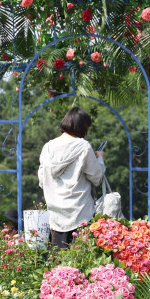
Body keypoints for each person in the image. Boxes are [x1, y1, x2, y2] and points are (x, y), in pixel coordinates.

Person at [38, 107, 104, 250]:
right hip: (80, 213)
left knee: (57, 267)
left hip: (55, 216)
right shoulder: (83, 146)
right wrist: (100, 160)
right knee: (82, 264)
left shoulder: (48, 147)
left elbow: (42, 181)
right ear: (82, 126)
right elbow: (97, 177)